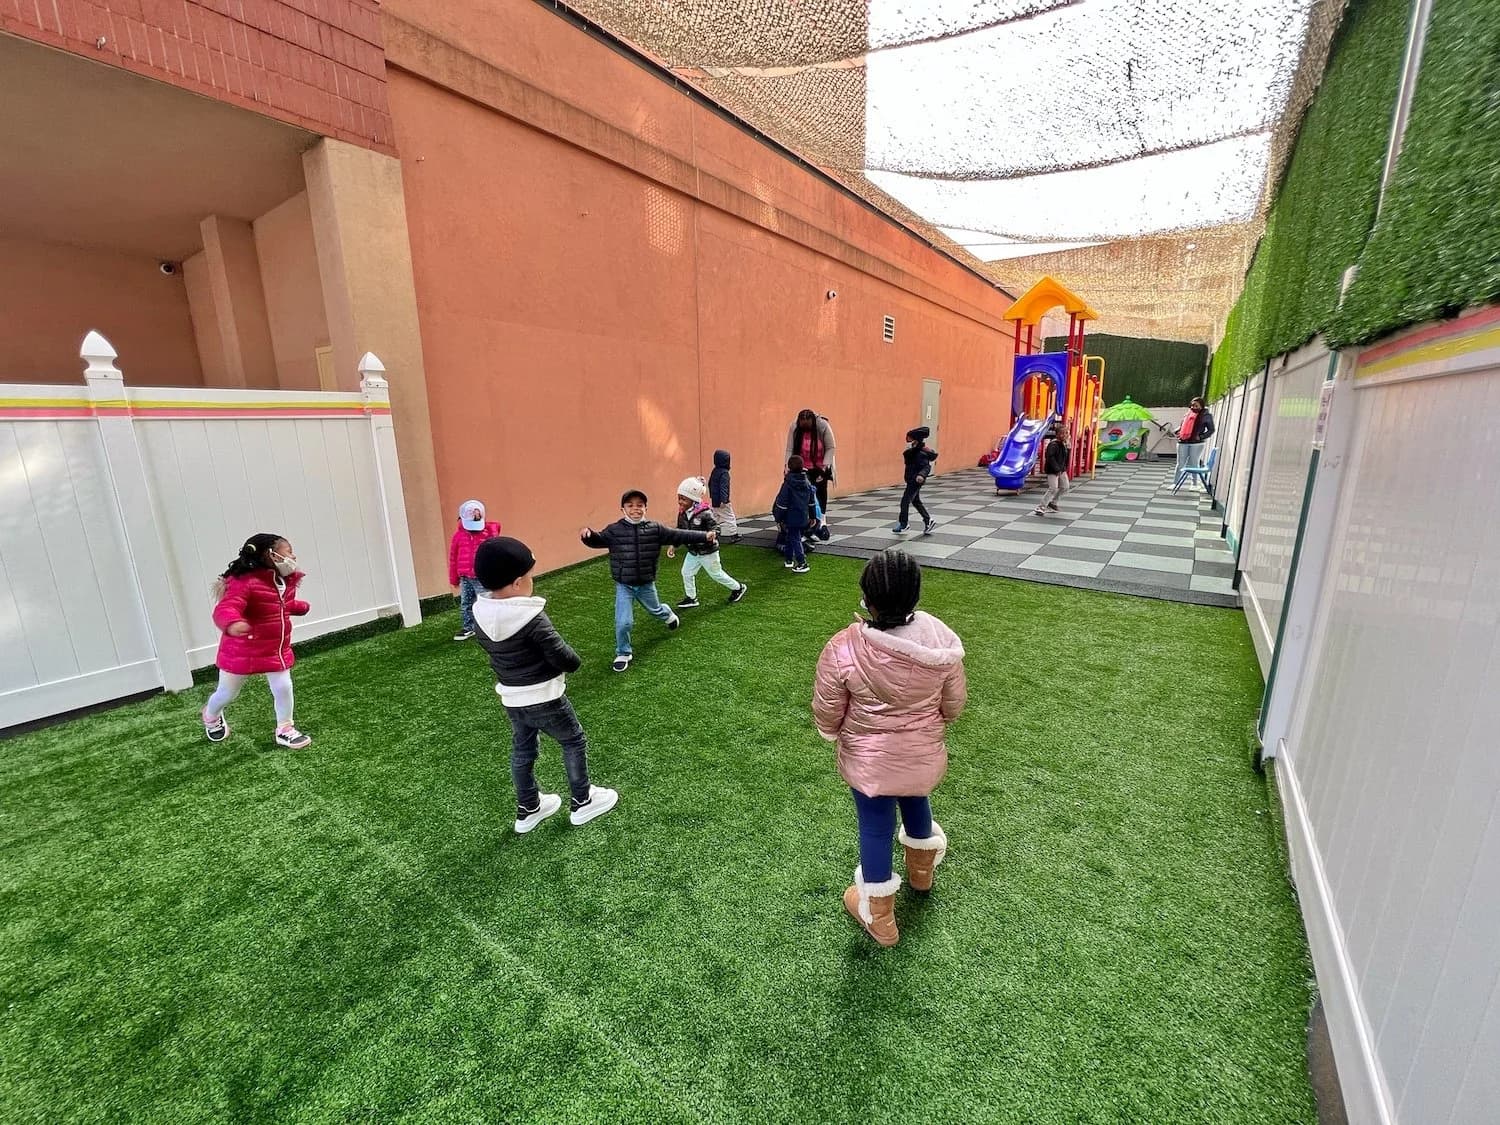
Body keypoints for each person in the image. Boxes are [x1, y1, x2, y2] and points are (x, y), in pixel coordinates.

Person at [813, 551, 966, 947]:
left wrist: (830, 731)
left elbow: (829, 703)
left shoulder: (843, 646)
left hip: (869, 762)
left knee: (875, 827)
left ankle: (878, 916)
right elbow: (954, 704)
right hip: (922, 753)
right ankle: (921, 874)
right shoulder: (940, 640)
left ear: (868, 600)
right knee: (916, 800)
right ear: (915, 597)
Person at [470, 536, 617, 832]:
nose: (532, 580)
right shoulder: (532, 617)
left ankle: (528, 808)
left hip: (512, 699)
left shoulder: (479, 614)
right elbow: (563, 656)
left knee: (523, 751)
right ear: (516, 583)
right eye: (529, 575)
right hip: (545, 697)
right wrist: (575, 663)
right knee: (572, 740)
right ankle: (582, 801)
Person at [581, 489, 716, 673]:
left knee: (657, 610)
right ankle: (623, 653)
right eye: (630, 506)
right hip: (624, 585)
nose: (635, 509)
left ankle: (667, 615)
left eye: (639, 505)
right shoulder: (614, 530)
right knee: (624, 622)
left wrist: (704, 535)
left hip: (646, 583)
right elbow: (599, 540)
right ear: (623, 509)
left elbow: (679, 535)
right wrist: (588, 536)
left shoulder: (655, 529)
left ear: (645, 508)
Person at [202, 533, 313, 749]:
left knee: (283, 686)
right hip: (241, 650)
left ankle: (285, 729)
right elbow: (226, 607)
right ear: (269, 555)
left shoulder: (283, 580)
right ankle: (211, 715)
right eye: (288, 552)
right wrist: (232, 623)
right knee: (227, 692)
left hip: (275, 649)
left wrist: (300, 607)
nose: (293, 556)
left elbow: (279, 605)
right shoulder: (245, 582)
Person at [666, 477, 747, 609]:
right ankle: (691, 598)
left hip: (708, 552)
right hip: (693, 551)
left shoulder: (706, 513)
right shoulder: (682, 514)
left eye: (684, 498)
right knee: (686, 572)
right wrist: (673, 545)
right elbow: (680, 531)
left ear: (694, 500)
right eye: (679, 497)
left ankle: (738, 587)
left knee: (716, 574)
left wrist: (713, 534)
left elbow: (716, 527)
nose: (680, 501)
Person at [448, 499, 502, 641]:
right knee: (466, 603)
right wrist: (454, 577)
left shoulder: (488, 534)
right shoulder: (458, 537)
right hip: (466, 577)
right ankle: (469, 627)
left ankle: (490, 627)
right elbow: (453, 558)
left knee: (486, 601)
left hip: (482, 575)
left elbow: (495, 553)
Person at [785, 409, 837, 518]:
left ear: (813, 422)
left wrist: (824, 468)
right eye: (802, 427)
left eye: (807, 427)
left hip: (820, 466)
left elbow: (830, 447)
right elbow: (789, 449)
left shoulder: (823, 426)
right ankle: (805, 519)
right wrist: (787, 466)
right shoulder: (794, 427)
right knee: (802, 493)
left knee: (820, 492)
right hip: (802, 467)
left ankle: (822, 517)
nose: (805, 430)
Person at [772, 455, 816, 573]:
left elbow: (781, 503)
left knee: (794, 538)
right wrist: (812, 517)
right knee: (790, 537)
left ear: (789, 468)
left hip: (790, 517)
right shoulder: (807, 482)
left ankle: (802, 562)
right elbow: (811, 502)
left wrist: (778, 517)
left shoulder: (787, 484)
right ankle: (789, 560)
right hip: (803, 517)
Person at [893, 426, 938, 535]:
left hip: (915, 481)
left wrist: (921, 475)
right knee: (916, 501)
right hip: (911, 479)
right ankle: (928, 520)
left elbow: (926, 467)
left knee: (905, 501)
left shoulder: (920, 454)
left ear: (916, 440)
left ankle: (904, 524)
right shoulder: (912, 452)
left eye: (909, 439)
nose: (907, 441)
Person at [1034, 428, 1070, 516]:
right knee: (1053, 488)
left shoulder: (1064, 444)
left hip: (1061, 469)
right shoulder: (1053, 444)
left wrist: (1064, 468)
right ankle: (1041, 507)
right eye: (1062, 433)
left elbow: (1065, 458)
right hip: (1052, 470)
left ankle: (1053, 503)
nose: (1064, 435)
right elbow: (1050, 458)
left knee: (1065, 487)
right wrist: (1057, 469)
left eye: (1066, 433)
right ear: (1057, 434)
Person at [1177, 396, 1216, 479]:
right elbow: (1181, 426)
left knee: (1194, 463)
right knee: (1180, 463)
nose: (1193, 407)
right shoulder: (1187, 414)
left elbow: (1211, 430)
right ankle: (1175, 482)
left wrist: (1201, 436)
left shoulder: (1206, 416)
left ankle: (1194, 484)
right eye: (1192, 405)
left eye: (1196, 406)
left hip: (1196, 443)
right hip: (1183, 441)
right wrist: (1177, 431)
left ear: (1201, 406)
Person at [708, 449, 738, 541]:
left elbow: (710, 484)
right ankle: (734, 535)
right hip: (722, 500)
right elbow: (723, 487)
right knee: (730, 517)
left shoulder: (715, 471)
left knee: (715, 517)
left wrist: (712, 496)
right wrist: (724, 500)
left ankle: (713, 533)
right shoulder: (724, 473)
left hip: (715, 499)